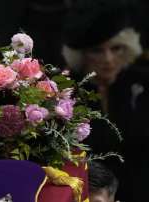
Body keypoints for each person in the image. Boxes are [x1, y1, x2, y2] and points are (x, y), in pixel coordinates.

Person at [61, 0, 143, 201]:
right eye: (97, 50)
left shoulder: (140, 83)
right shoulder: (67, 93)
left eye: (116, 49)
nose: (108, 59)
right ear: (81, 55)